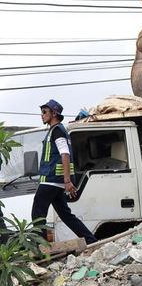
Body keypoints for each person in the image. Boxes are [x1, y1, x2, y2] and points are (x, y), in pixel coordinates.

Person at [32, 99, 97, 244]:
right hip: (56, 181)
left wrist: (67, 180)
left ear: (54, 113)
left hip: (51, 179)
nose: (41, 115)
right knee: (66, 215)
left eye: (44, 112)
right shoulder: (56, 130)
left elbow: (65, 154)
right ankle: (90, 240)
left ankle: (41, 248)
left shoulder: (57, 131)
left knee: (37, 213)